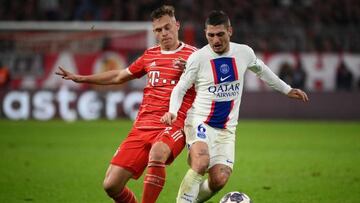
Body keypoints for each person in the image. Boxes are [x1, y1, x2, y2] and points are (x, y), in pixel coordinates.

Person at [161, 10, 309, 203]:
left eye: (220, 34)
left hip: (226, 129)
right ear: (205, 33)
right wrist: (172, 111)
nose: (215, 40)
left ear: (230, 31)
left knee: (219, 179)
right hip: (200, 122)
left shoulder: (244, 52)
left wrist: (287, 90)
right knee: (201, 161)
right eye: (210, 35)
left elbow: (262, 71)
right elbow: (180, 88)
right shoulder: (198, 58)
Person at [56, 5, 197, 203]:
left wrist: (194, 71)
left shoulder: (195, 56)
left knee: (158, 153)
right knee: (111, 185)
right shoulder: (150, 55)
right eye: (158, 30)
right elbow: (119, 75)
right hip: (142, 127)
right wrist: (82, 78)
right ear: (153, 32)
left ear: (177, 25)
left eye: (167, 27)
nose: (164, 33)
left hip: (173, 124)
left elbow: (213, 84)